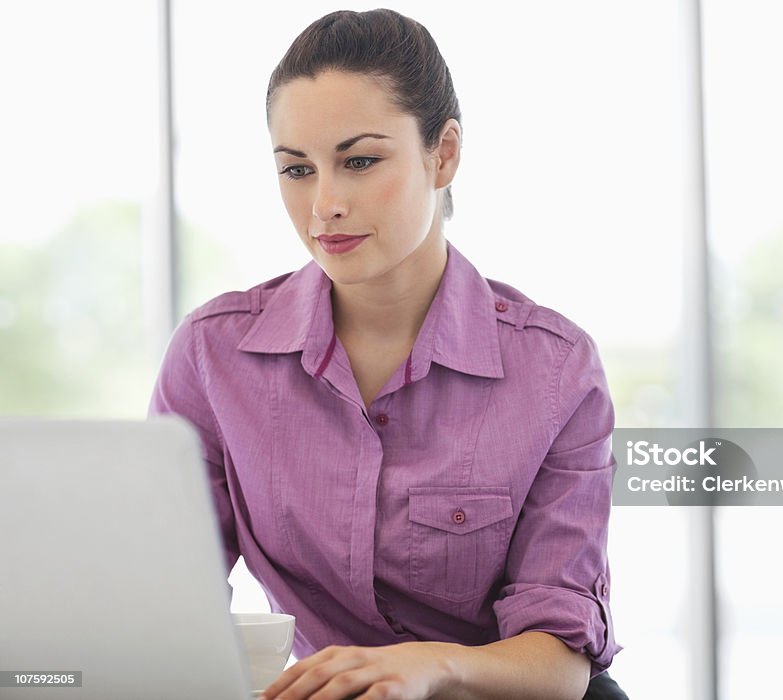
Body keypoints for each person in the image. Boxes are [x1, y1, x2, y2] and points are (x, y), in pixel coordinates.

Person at [150, 9, 625, 700]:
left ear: (444, 154)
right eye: (297, 169)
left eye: (360, 161)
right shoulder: (213, 357)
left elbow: (561, 664)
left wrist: (432, 664)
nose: (325, 205)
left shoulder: (555, 372)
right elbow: (166, 599)